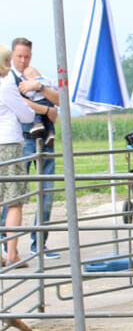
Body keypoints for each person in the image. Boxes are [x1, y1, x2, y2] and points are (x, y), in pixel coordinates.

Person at [7, 38, 61, 257]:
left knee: (46, 190)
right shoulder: (7, 79)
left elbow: (58, 99)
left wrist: (38, 86)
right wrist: (46, 111)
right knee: (13, 194)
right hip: (21, 138)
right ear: (12, 56)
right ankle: (7, 245)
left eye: (27, 56)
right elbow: (17, 102)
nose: (23, 60)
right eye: (19, 56)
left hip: (44, 140)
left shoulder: (35, 77)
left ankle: (39, 243)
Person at [0, 45, 39, 266]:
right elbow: (25, 115)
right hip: (8, 143)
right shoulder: (6, 84)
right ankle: (12, 252)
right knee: (14, 201)